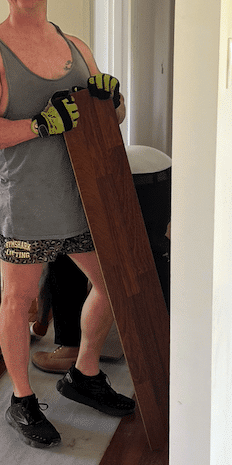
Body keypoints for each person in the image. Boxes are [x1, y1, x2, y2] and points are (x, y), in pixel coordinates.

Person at [0, 0, 135, 449]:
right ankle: (21, 399)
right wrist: (38, 125)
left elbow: (112, 118)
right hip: (26, 202)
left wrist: (113, 98)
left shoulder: (75, 45)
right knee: (19, 300)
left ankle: (82, 375)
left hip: (86, 199)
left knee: (113, 285)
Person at [32, 145, 172, 374]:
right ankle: (167, 342)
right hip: (162, 168)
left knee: (65, 252)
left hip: (121, 173)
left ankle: (70, 348)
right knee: (152, 249)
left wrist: (41, 322)